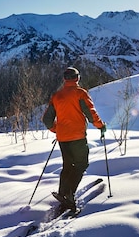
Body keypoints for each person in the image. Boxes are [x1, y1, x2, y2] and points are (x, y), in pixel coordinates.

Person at [42, 66, 106, 211]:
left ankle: (62, 192)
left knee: (68, 165)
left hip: (63, 138)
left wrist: (57, 129)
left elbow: (46, 119)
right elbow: (91, 113)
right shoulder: (80, 93)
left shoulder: (57, 96)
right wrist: (101, 126)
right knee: (81, 164)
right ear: (77, 78)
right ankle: (70, 195)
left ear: (64, 79)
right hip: (77, 136)